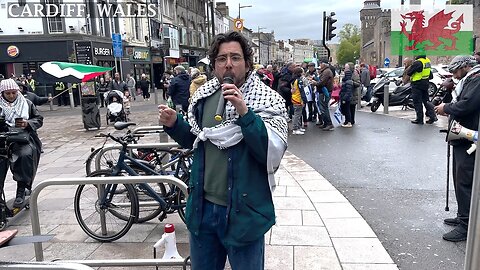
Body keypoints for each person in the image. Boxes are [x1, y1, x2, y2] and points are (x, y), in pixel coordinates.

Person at [158, 30, 288, 270]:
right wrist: (175, 124)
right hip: (203, 210)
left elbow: (269, 153)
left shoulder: (268, 99)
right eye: (221, 58)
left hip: (244, 214)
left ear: (247, 64)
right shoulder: (203, 98)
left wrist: (245, 113)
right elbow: (197, 141)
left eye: (235, 58)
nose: (228, 64)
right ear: (214, 65)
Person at [434, 55, 480, 242]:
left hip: (469, 136)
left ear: (466, 67)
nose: (453, 74)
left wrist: (447, 108)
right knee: (459, 177)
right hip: (462, 135)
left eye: (455, 70)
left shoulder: (476, 80)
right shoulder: (467, 80)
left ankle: (466, 224)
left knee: (464, 180)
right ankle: (463, 215)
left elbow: (467, 105)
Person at [0, 79, 43, 207]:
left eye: (14, 93)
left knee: (25, 157)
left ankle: (21, 190)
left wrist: (28, 123)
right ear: (2, 93)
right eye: (8, 94)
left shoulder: (27, 103)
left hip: (22, 139)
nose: (11, 96)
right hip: (3, 140)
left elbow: (39, 119)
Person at [407, 55, 437, 124]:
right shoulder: (427, 61)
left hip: (417, 84)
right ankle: (432, 117)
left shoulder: (418, 62)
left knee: (417, 102)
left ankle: (419, 119)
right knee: (426, 101)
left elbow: (409, 72)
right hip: (426, 83)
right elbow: (430, 74)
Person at [317, 60, 335, 130]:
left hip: (325, 91)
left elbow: (322, 82)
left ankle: (329, 123)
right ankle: (325, 123)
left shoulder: (326, 72)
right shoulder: (325, 71)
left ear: (323, 64)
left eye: (320, 64)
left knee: (324, 108)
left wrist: (315, 82)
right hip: (324, 91)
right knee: (323, 107)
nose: (320, 65)